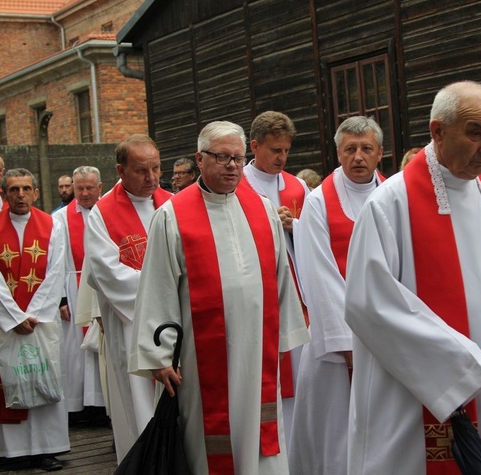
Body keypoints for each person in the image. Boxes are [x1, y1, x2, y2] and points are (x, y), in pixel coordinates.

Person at [343, 81, 481, 474]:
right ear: (438, 131)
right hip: (430, 392)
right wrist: (459, 368)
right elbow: (367, 302)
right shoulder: (391, 204)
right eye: (476, 133)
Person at [129, 120, 308, 474]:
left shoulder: (261, 209)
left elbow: (280, 276)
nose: (232, 166)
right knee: (211, 445)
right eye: (222, 157)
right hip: (202, 358)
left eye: (238, 159)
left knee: (264, 435)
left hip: (258, 350)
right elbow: (158, 287)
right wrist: (160, 356)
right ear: (200, 158)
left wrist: (286, 334)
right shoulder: (173, 216)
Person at [288, 117, 384, 474]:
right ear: (339, 152)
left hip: (389, 330)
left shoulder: (395, 194)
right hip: (340, 339)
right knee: (337, 427)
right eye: (350, 149)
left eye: (366, 149)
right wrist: (347, 344)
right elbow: (319, 273)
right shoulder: (319, 202)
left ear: (380, 154)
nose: (358, 157)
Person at [84, 134, 172, 463]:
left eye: (156, 168)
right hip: (131, 325)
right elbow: (105, 273)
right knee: (140, 410)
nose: (151, 178)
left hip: (176, 324)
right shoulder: (102, 213)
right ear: (121, 170)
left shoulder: (172, 202)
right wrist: (164, 291)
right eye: (141, 171)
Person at [0, 168, 68, 472]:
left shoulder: (52, 225)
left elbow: (57, 272)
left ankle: (46, 449)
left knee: (44, 375)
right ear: (3, 194)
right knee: (7, 378)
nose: (20, 195)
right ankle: (10, 451)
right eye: (14, 189)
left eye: (26, 189)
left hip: (40, 322)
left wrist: (35, 315)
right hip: (7, 325)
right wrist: (14, 317)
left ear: (35, 193)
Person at [240, 110, 310, 442]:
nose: (282, 158)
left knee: (298, 371)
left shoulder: (297, 187)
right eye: (274, 150)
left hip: (295, 293)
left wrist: (294, 227)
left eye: (286, 150)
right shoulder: (238, 185)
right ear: (255, 146)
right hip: (259, 291)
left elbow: (315, 238)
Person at [53, 166, 106, 424]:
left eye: (89, 188)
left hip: (102, 287)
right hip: (72, 286)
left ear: (100, 187)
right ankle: (76, 406)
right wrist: (61, 298)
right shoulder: (61, 218)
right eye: (79, 188)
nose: (84, 193)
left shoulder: (108, 211)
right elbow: (56, 261)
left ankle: (102, 404)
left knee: (101, 349)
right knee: (74, 350)